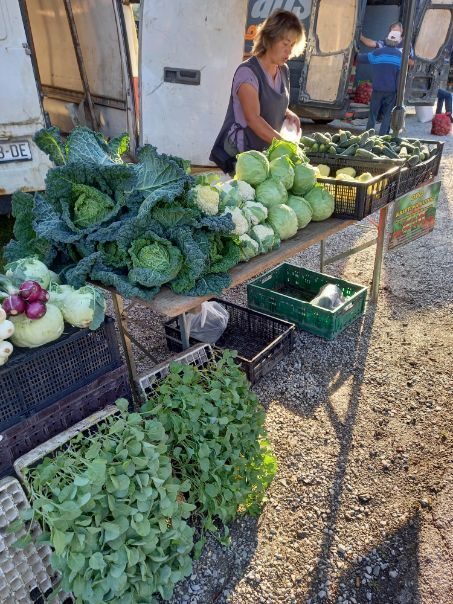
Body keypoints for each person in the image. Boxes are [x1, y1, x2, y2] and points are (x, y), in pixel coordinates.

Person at [210, 10, 306, 173]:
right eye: (285, 44)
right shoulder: (248, 73)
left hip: (264, 153)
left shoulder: (283, 70)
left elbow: (270, 101)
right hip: (241, 155)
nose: (289, 51)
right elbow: (253, 119)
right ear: (270, 38)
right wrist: (285, 144)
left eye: (292, 45)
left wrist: (288, 113)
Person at [357, 30, 403, 134]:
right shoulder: (400, 56)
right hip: (391, 91)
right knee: (387, 114)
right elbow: (400, 75)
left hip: (377, 89)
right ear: (398, 42)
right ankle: (382, 136)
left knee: (373, 113)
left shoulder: (378, 53)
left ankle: (369, 134)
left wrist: (355, 51)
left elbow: (361, 58)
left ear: (387, 39)